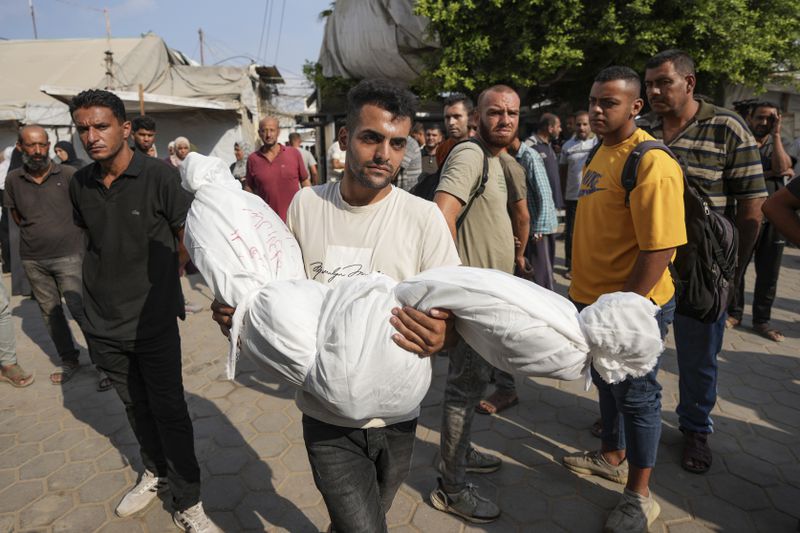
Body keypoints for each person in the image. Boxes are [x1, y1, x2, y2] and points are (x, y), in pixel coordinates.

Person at [212, 79, 460, 532]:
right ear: (345, 140)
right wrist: (240, 315)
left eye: (397, 143)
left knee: (370, 514)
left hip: (398, 415)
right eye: (371, 138)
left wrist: (445, 334)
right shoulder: (306, 205)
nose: (385, 153)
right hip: (325, 414)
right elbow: (277, 295)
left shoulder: (423, 218)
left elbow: (452, 311)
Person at [68, 89, 219, 532]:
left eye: (101, 126)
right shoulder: (80, 183)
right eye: (83, 129)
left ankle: (189, 501)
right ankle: (155, 471)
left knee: (170, 410)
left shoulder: (160, 177)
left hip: (152, 321)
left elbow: (187, 237)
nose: (91, 137)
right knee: (135, 407)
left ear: (125, 129)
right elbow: (93, 241)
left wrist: (168, 277)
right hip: (101, 321)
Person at [562, 66, 686, 533]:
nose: (596, 109)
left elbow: (660, 248)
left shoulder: (651, 161)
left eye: (608, 102)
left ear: (636, 106)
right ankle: (612, 455)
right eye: (593, 100)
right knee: (607, 384)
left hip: (634, 308)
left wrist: (624, 311)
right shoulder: (600, 152)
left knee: (638, 396)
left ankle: (639, 496)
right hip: (594, 304)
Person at [643, 49, 767, 474]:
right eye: (650, 84)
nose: (655, 91)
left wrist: (732, 272)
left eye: (664, 82)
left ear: (689, 83)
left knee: (698, 358)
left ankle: (695, 428)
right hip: (650, 266)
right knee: (639, 350)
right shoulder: (643, 130)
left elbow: (753, 208)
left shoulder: (727, 127)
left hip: (703, 272)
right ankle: (632, 417)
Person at [431, 85, 523, 524]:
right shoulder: (470, 154)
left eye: (512, 113)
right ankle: (450, 487)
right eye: (495, 112)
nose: (504, 120)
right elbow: (442, 212)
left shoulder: (496, 160)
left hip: (489, 296)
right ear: (476, 118)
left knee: (468, 389)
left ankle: (460, 451)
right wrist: (454, 285)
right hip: (474, 300)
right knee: (462, 392)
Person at [5, 125, 109, 390]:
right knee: (50, 314)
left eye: (43, 145)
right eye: (32, 145)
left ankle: (103, 365)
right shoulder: (13, 179)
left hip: (71, 256)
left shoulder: (69, 174)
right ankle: (70, 360)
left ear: (49, 144)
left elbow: (85, 212)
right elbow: (17, 217)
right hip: (33, 260)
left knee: (81, 310)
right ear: (20, 147)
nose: (38, 151)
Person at [727, 102, 794, 342]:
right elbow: (735, 174)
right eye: (760, 118)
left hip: (773, 221)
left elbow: (783, 166)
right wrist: (771, 175)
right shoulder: (741, 144)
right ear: (750, 117)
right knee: (738, 265)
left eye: (770, 119)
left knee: (769, 272)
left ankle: (761, 321)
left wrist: (776, 136)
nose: (764, 123)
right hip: (744, 216)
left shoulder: (777, 146)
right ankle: (733, 313)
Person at [245, 117, 310, 221]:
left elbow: (305, 182)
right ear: (259, 133)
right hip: (269, 223)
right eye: (264, 130)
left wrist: (309, 206)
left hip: (296, 219)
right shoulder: (253, 159)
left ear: (278, 131)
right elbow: (249, 188)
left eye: (272, 130)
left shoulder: (293, 154)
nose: (268, 135)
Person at [559, 111, 598, 278]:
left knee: (593, 232)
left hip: (594, 196)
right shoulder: (567, 146)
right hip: (573, 196)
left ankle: (591, 265)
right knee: (572, 233)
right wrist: (561, 195)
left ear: (590, 125)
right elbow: (562, 172)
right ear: (574, 125)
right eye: (578, 124)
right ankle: (571, 266)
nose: (581, 127)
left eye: (585, 124)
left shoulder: (598, 143)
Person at [436, 93, 474, 169]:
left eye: (457, 116)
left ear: (470, 118)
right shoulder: (442, 149)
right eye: (447, 117)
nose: (451, 122)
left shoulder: (485, 147)